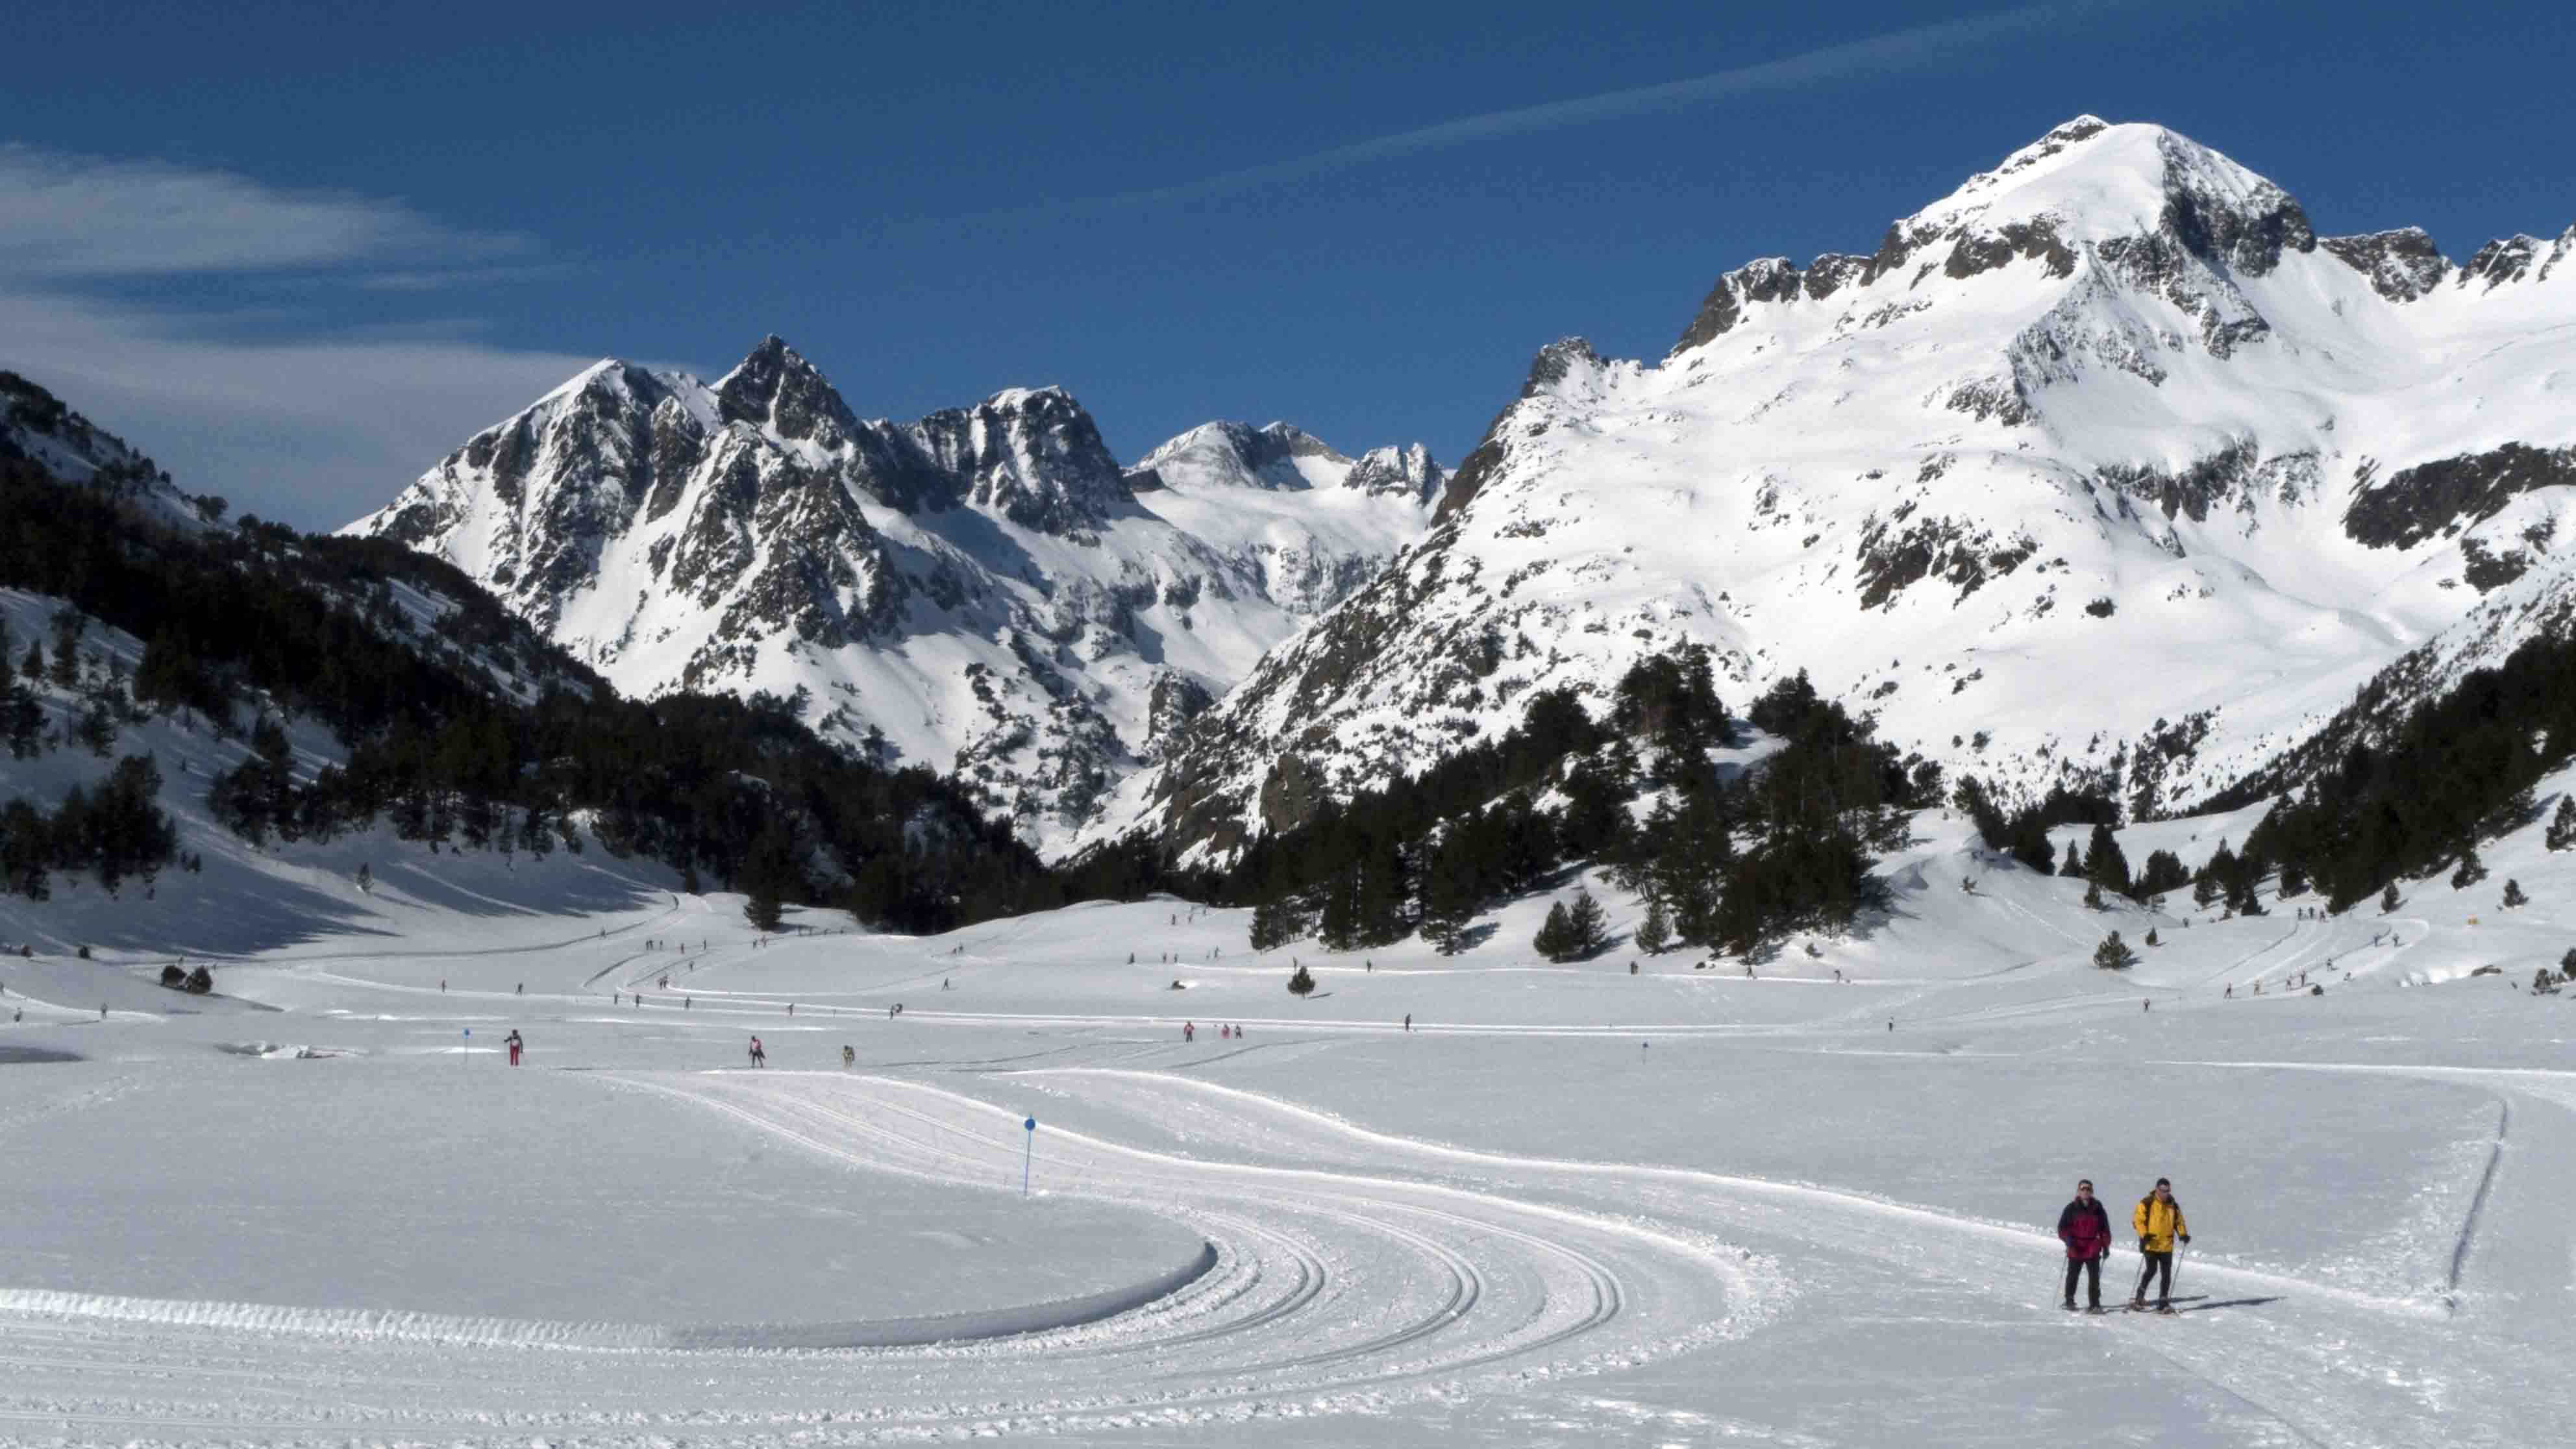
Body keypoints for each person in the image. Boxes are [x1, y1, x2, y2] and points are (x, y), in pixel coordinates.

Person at [2131, 1178, 2190, 1311]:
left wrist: (2183, 1234)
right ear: (2157, 1189)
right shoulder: (2147, 1202)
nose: (2165, 1194)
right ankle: (2139, 1296)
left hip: (2166, 1245)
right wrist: (2144, 1234)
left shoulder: (2173, 1205)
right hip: (2151, 1244)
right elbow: (2138, 1221)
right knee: (2151, 1270)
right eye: (2163, 1191)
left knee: (2166, 1274)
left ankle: (2163, 1301)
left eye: (2167, 1191)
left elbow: (2179, 1222)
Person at [2057, 1178, 2111, 1309]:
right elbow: (2062, 1228)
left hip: (2093, 1247)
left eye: (2088, 1189)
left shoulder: (2098, 1208)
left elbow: (2105, 1229)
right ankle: (2069, 1300)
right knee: (2073, 1275)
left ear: (2092, 1191)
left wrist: (2106, 1246)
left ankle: (2095, 1304)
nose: (2085, 1191)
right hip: (2076, 1247)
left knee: (2094, 1278)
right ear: (2078, 1191)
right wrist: (2067, 1239)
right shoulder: (2071, 1208)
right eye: (2083, 1189)